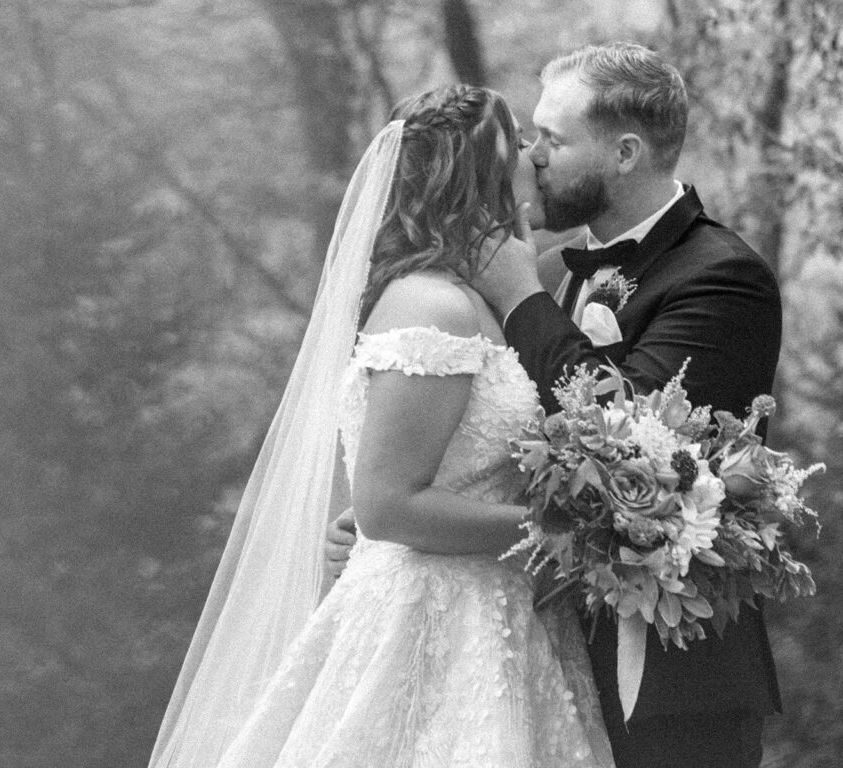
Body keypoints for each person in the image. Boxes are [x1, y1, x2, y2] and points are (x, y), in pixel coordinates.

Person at [328, 42, 782, 768]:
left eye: (556, 139)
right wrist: (409, 516)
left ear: (626, 153)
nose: (534, 157)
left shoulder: (721, 277)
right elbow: (497, 439)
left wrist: (521, 299)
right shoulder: (541, 269)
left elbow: (637, 450)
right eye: (532, 137)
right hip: (528, 650)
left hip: (669, 685)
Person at [148, 84, 615, 768]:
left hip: (504, 619)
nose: (535, 156)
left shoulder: (490, 301)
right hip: (430, 623)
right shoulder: (430, 304)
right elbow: (387, 503)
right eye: (518, 142)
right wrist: (563, 530)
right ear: (479, 171)